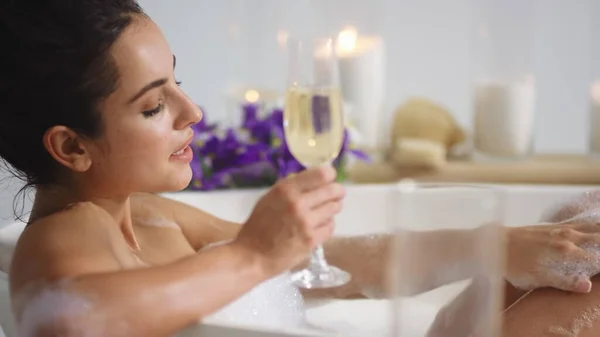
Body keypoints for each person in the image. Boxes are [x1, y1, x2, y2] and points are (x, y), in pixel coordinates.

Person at [1, 1, 600, 336]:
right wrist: (252, 255)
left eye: (176, 82)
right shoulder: (59, 243)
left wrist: (495, 244)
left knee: (577, 229)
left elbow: (330, 264)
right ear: (71, 147)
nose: (193, 111)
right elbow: (67, 321)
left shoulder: (156, 220)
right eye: (155, 105)